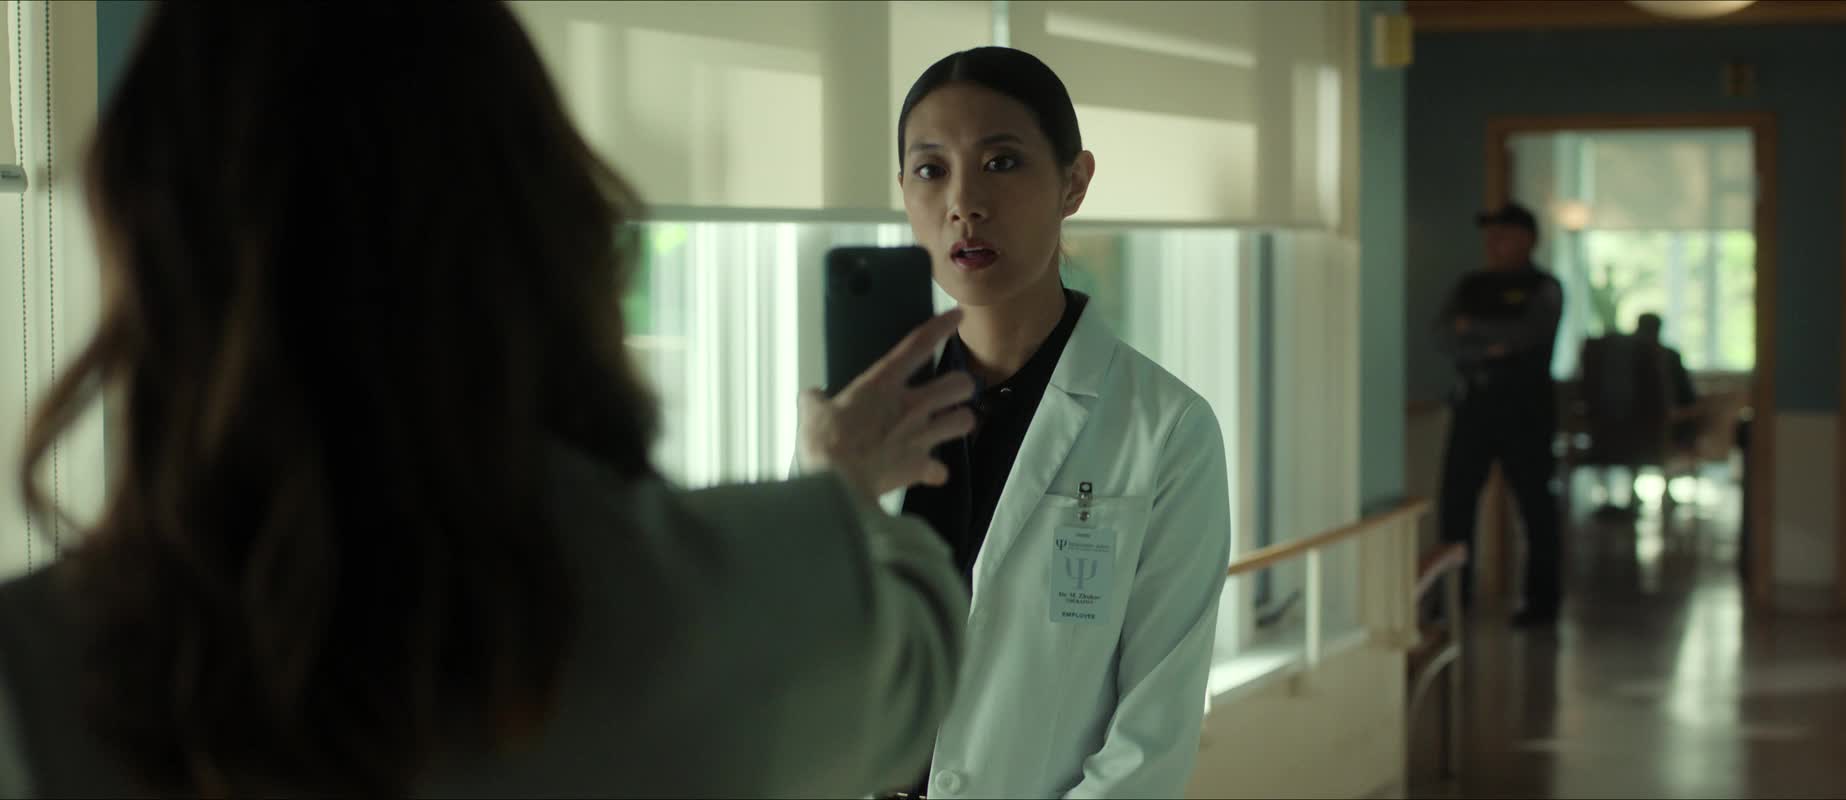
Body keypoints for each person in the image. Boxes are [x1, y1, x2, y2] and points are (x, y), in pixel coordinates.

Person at [0, 4, 978, 797]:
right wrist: (842, 488)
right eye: (929, 168)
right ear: (552, 224)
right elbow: (925, 649)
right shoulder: (770, 602)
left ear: (146, 256)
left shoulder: (34, 679)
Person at [843, 46, 1232, 798]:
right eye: (931, 170)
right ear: (904, 193)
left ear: (1073, 182)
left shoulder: (1167, 431)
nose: (964, 203)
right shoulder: (857, 425)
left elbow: (1150, 741)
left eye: (1001, 162)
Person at [1433, 202, 1565, 629]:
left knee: (1535, 506)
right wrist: (1489, 343)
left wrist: (1475, 330)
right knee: (1455, 504)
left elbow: (1528, 334)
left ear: (1527, 239)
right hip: (1475, 404)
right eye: (1490, 236)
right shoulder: (1471, 285)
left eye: (1504, 235)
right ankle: (1453, 600)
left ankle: (1542, 603)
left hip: (1525, 409)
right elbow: (1444, 334)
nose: (1494, 243)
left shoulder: (1543, 287)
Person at [1632, 313, 1701, 446]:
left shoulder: (1624, 358)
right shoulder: (1670, 356)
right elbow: (1688, 396)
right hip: (1665, 425)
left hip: (1632, 426)